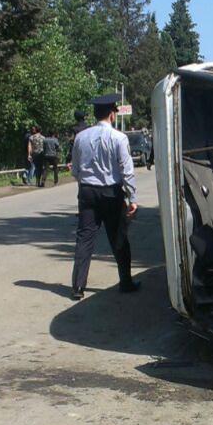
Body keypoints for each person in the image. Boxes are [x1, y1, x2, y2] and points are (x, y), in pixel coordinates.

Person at [70, 94, 139, 299]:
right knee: (118, 237)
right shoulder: (119, 138)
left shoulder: (81, 137)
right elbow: (127, 171)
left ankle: (78, 287)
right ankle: (125, 282)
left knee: (84, 238)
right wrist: (132, 198)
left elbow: (75, 170)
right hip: (111, 193)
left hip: (87, 192)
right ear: (111, 114)